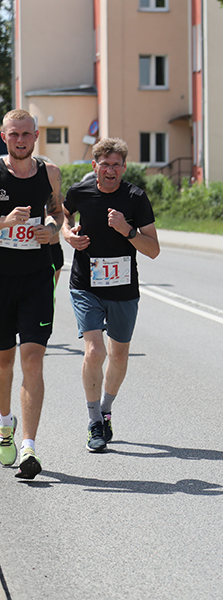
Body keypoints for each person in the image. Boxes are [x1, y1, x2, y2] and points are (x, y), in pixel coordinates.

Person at [62, 138, 160, 453]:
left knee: (118, 355)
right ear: (95, 167)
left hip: (123, 289)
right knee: (95, 352)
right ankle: (93, 422)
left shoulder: (135, 198)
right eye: (105, 164)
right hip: (85, 285)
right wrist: (68, 234)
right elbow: (64, 217)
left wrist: (127, 230)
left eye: (117, 164)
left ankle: (106, 410)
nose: (110, 170)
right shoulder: (80, 192)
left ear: (124, 168)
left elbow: (154, 250)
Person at [0, 109, 64, 479]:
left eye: (26, 134)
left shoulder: (49, 172)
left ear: (36, 135)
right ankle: (5, 423)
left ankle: (29, 448)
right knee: (4, 361)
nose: (20, 140)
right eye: (14, 135)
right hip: (1, 280)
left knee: (33, 359)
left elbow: (57, 212)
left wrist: (52, 229)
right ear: (4, 137)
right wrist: (6, 222)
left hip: (37, 277)